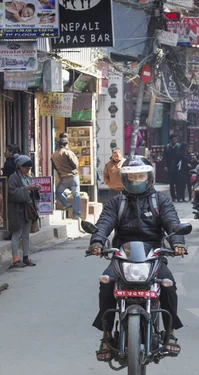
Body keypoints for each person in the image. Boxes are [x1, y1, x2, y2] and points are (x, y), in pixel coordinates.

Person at [88, 156, 186, 361]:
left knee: (168, 285)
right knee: (106, 283)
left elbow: (172, 222)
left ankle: (170, 334)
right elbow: (105, 222)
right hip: (121, 256)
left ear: (148, 177)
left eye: (139, 176)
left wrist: (177, 242)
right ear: (124, 179)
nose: (135, 180)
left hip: (153, 256)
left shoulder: (160, 201)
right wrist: (97, 241)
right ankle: (106, 336)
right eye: (131, 177)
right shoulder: (116, 203)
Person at [8, 155, 39, 269]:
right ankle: (16, 259)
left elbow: (30, 193)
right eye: (26, 167)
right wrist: (27, 189)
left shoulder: (27, 177)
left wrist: (35, 189)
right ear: (19, 167)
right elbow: (12, 193)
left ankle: (26, 257)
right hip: (18, 209)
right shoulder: (13, 178)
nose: (28, 170)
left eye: (29, 168)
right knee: (17, 234)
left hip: (28, 208)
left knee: (26, 235)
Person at [51, 138, 81, 219]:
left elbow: (55, 167)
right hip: (73, 176)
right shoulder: (67, 152)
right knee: (76, 195)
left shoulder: (53, 155)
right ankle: (76, 215)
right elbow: (74, 165)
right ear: (66, 144)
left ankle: (66, 204)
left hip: (64, 178)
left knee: (58, 192)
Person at [163, 134, 181, 202]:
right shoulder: (167, 147)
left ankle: (179, 196)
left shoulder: (178, 147)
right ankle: (173, 197)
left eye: (176, 139)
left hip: (177, 167)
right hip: (170, 167)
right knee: (171, 183)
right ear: (171, 140)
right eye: (174, 139)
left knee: (178, 182)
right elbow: (164, 157)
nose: (176, 141)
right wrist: (165, 166)